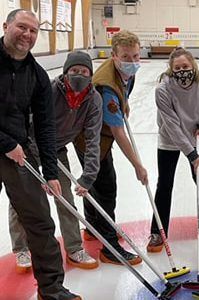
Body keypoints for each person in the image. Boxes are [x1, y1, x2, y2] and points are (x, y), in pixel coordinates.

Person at [0, 8, 80, 299]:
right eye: (22, 27)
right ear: (6, 25)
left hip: (18, 153)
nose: (27, 35)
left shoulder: (37, 75)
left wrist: (50, 172)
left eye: (33, 31)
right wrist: (5, 143)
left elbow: (45, 128)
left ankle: (52, 289)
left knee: (40, 221)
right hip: (8, 146)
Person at [8, 51, 102, 272]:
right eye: (74, 71)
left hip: (57, 149)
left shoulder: (93, 100)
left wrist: (88, 176)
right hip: (29, 146)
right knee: (22, 198)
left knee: (65, 198)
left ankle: (74, 248)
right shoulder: (49, 90)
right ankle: (21, 248)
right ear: (66, 72)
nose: (79, 75)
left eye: (84, 71)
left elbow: (92, 139)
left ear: (90, 74)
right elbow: (26, 119)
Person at [74, 30, 147, 265]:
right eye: (126, 57)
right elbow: (117, 131)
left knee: (94, 181)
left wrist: (122, 104)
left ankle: (92, 225)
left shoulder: (125, 73)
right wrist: (138, 165)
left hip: (98, 133)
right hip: (91, 140)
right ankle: (109, 248)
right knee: (106, 188)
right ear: (113, 56)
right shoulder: (105, 87)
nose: (133, 62)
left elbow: (122, 92)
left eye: (136, 56)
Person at [147, 47, 199, 252]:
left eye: (185, 66)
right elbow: (171, 125)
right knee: (164, 184)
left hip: (196, 137)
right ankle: (157, 231)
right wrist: (191, 153)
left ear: (193, 65)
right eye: (177, 68)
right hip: (170, 140)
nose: (182, 70)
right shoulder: (163, 89)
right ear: (171, 69)